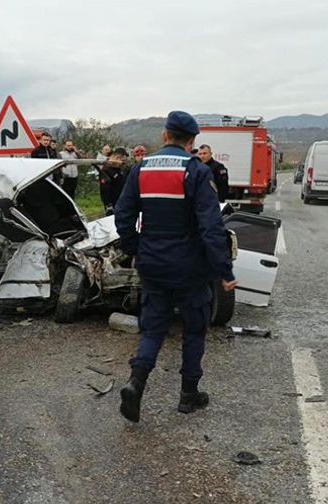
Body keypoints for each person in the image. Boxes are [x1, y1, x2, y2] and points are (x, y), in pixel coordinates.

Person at [114, 111, 237, 423]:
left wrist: (136, 249)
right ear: (192, 141)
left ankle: (135, 384)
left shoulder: (140, 168)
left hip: (153, 262)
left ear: (165, 135)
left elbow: (123, 216)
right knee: (195, 329)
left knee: (153, 328)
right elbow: (211, 227)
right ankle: (188, 395)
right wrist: (225, 271)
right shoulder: (196, 171)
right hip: (191, 267)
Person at [100, 147, 129, 216]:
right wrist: (108, 205)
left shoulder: (120, 169)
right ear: (117, 157)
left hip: (122, 201)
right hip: (113, 203)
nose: (121, 162)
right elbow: (104, 189)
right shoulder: (106, 170)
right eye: (122, 159)